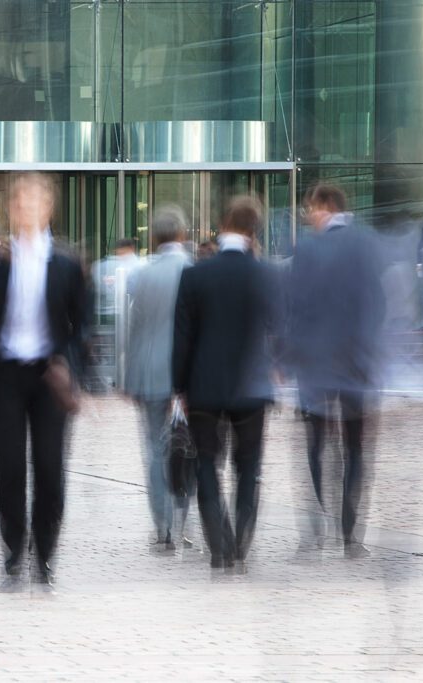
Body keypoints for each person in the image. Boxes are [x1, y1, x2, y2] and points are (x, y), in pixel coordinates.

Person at [0, 173, 88, 586]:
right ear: (11, 209)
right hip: (6, 375)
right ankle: (14, 546)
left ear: (49, 208)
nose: (25, 208)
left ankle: (46, 549)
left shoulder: (69, 265)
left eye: (35, 201)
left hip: (49, 377)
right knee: (8, 466)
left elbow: (82, 327)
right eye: (19, 201)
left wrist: (70, 367)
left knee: (50, 467)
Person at [172, 196, 277, 571]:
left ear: (222, 226)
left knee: (206, 462)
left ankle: (218, 545)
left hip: (204, 384)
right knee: (248, 466)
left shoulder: (196, 274)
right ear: (254, 231)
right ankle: (241, 545)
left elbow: (182, 337)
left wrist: (179, 386)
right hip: (251, 385)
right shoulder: (266, 274)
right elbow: (280, 330)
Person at [286, 184, 386, 558]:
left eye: (311, 208)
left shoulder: (306, 249)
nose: (308, 215)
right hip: (356, 364)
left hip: (314, 365)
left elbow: (294, 306)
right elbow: (377, 303)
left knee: (315, 446)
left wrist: (292, 356)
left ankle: (316, 530)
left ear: (326, 206)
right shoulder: (365, 244)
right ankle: (350, 534)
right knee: (355, 449)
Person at [125, 206, 193, 551]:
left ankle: (162, 528)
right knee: (188, 448)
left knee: (154, 450)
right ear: (182, 234)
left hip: (150, 373)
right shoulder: (193, 270)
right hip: (187, 377)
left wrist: (130, 377)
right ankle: (184, 520)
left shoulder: (143, 275)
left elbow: (134, 329)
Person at [90, 238, 141, 320]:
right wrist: (112, 283)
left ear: (131, 249)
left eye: (123, 252)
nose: (121, 256)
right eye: (119, 254)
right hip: (121, 310)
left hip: (134, 309)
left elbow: (134, 287)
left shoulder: (139, 265)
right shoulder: (121, 265)